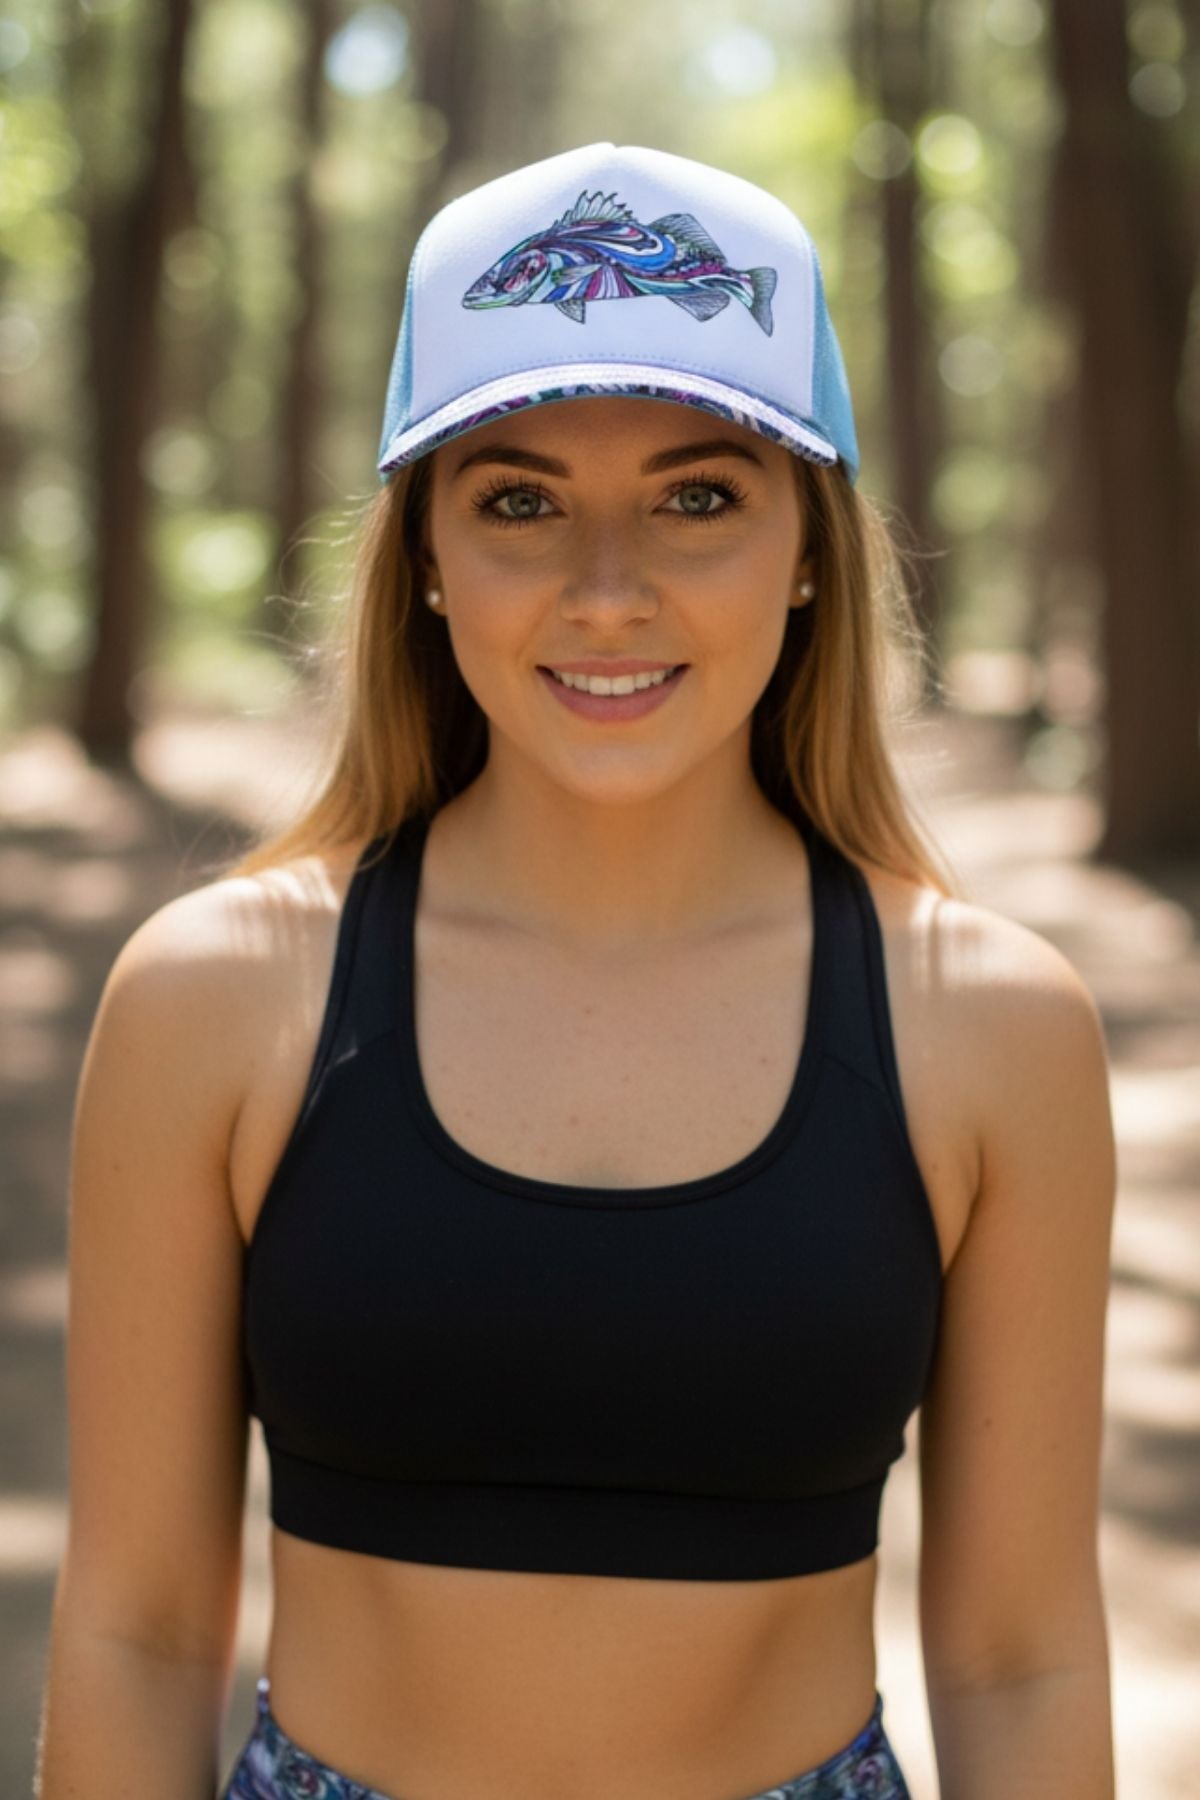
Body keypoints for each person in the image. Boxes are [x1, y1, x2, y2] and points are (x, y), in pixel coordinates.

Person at [37, 143, 1117, 1799]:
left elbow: (1020, 1658)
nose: (608, 592)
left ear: (810, 544)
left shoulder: (988, 1027)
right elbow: (137, 1628)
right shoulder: (220, 993)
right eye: (520, 500)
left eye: (699, 496)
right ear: (423, 557)